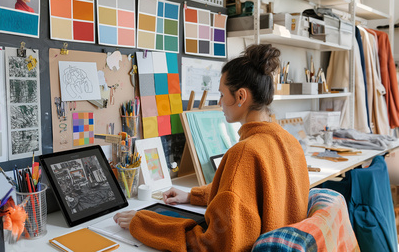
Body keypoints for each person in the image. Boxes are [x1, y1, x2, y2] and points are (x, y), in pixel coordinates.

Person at [114, 44, 310, 251]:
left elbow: (213, 245)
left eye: (223, 94)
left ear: (241, 96)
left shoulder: (244, 153)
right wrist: (192, 196)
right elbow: (247, 194)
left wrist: (144, 223)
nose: (220, 102)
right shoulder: (289, 141)